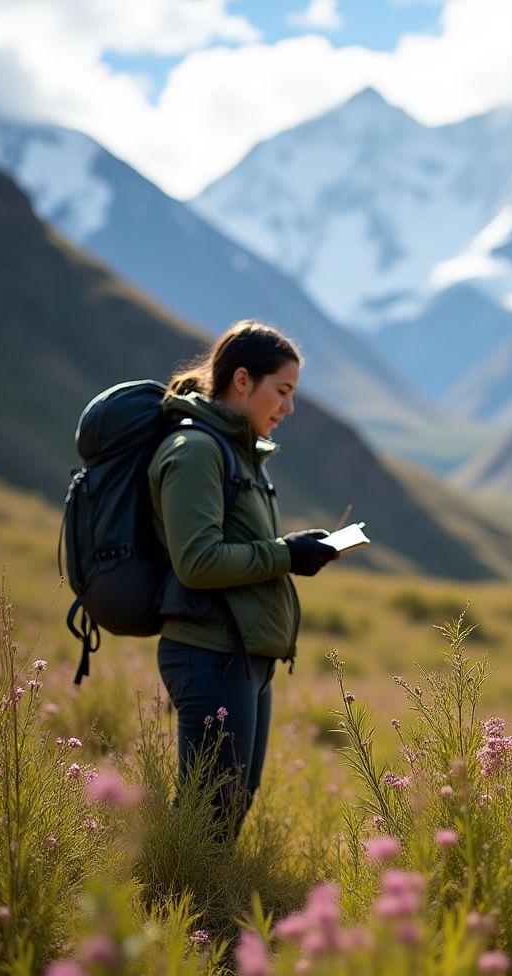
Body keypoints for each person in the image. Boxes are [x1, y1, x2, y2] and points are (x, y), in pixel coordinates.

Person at [148, 319, 338, 837]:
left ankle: (197, 909)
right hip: (210, 650)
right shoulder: (195, 452)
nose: (288, 407)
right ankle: (168, 911)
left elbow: (239, 545)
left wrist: (299, 550)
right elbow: (198, 561)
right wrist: (286, 555)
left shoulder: (240, 453)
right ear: (241, 381)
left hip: (244, 653)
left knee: (230, 806)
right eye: (282, 391)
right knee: (206, 811)